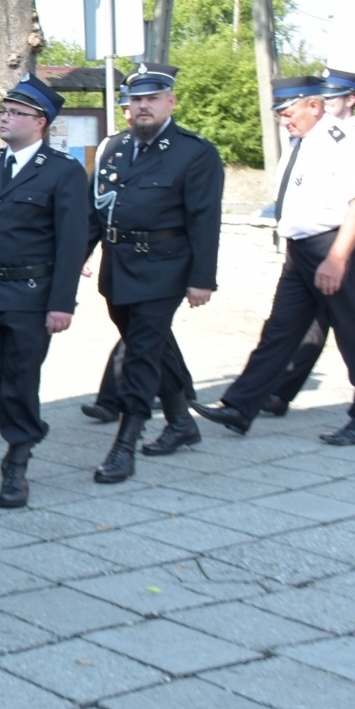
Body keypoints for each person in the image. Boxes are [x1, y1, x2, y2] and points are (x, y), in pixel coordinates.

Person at [195, 77, 355, 445]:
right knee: (280, 330)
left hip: (333, 245)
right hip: (302, 250)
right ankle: (240, 406)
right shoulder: (302, 142)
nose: (284, 120)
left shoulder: (341, 142)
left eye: (288, 112)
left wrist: (336, 258)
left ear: (313, 106)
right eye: (281, 113)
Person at [0, 75, 88, 509]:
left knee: (21, 377)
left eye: (15, 113)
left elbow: (71, 242)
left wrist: (61, 303)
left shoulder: (63, 172)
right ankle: (22, 423)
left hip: (32, 292)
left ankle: (17, 459)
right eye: (3, 112)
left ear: (40, 122)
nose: (5, 119)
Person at [83, 64, 223, 482]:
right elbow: (97, 211)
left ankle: (125, 444)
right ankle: (182, 422)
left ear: (170, 102)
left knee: (142, 354)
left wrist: (203, 278)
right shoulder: (115, 149)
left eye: (151, 99)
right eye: (135, 100)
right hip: (118, 266)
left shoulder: (194, 152)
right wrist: (76, 257)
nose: (142, 107)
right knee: (153, 345)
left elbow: (205, 221)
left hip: (165, 266)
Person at [259, 68, 355, 416]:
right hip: (318, 246)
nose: (325, 103)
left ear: (350, 100)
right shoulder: (307, 140)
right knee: (312, 323)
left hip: (353, 243)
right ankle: (277, 392)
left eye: (332, 97)